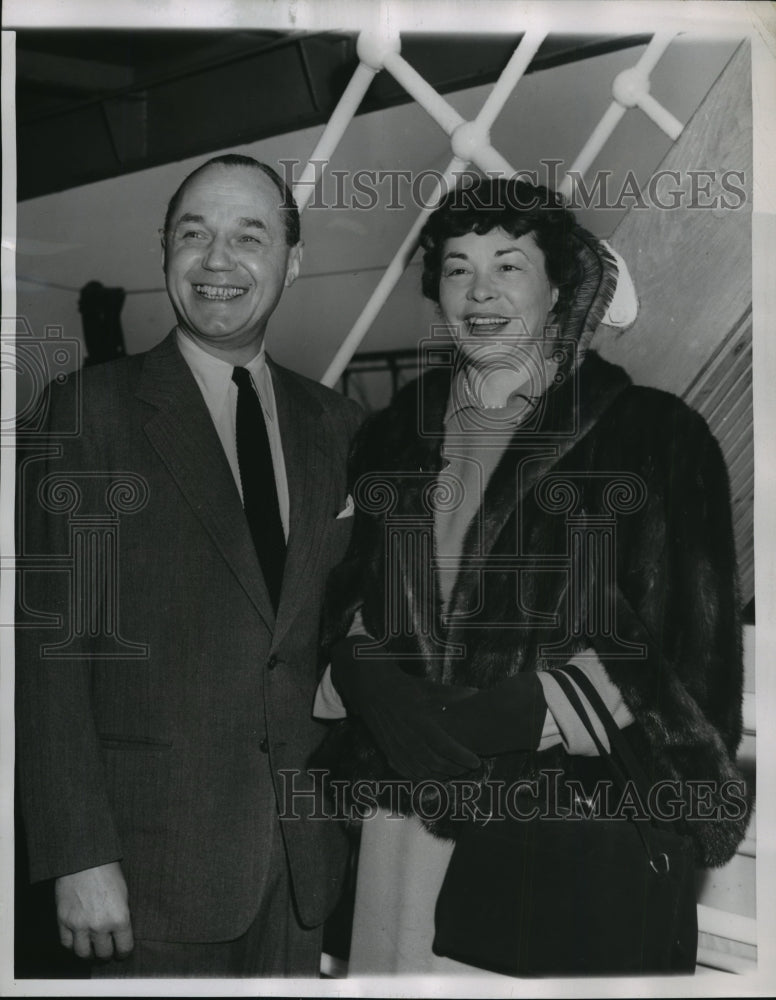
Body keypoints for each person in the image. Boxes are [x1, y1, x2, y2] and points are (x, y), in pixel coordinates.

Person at [314, 176, 749, 975]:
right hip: (400, 824)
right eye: (457, 268)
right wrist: (363, 670)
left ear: (559, 288)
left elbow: (685, 649)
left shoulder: (655, 436)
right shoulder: (394, 435)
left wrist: (517, 711)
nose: (479, 292)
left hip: (551, 821)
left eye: (508, 266)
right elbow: (354, 590)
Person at [15, 154, 363, 977]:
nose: (217, 260)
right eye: (193, 234)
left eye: (250, 236)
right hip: (147, 874)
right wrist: (78, 854)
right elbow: (49, 652)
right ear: (163, 250)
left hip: (302, 871)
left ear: (293, 261)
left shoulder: (339, 425)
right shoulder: (86, 411)